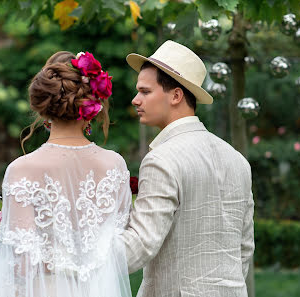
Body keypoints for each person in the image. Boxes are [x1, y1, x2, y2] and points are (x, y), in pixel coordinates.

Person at [0, 51, 133, 297]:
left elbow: (21, 266)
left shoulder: (22, 170)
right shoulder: (115, 165)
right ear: (92, 106)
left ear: (43, 108)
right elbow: (119, 245)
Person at [120, 40, 255, 297]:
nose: (135, 100)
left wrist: (80, 261)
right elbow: (244, 248)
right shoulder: (237, 159)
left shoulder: (162, 159)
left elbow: (141, 244)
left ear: (176, 95)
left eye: (145, 91)